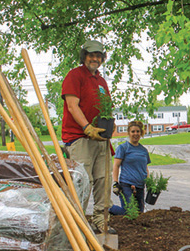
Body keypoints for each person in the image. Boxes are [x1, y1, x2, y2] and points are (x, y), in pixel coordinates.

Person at [61, 39, 115, 234]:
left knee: (103, 179)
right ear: (84, 56)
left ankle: (101, 219)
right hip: (80, 138)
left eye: (99, 56)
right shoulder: (75, 76)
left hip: (100, 139)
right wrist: (87, 127)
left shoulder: (101, 81)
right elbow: (72, 105)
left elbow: (106, 107)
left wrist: (110, 123)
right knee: (83, 181)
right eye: (92, 55)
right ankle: (78, 222)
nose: (95, 58)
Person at [110, 121, 150, 215]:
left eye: (138, 131)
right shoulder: (123, 148)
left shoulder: (144, 150)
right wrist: (115, 182)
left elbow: (145, 168)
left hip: (140, 185)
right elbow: (116, 165)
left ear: (141, 133)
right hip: (126, 184)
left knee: (139, 213)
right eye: (133, 131)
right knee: (129, 212)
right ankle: (109, 208)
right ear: (129, 133)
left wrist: (149, 182)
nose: (135, 134)